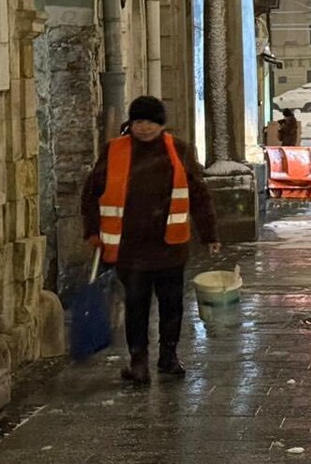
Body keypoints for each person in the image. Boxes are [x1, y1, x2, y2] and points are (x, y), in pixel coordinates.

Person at [83, 95, 219, 384]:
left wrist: (209, 234)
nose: (143, 128)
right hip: (129, 248)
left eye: (150, 122)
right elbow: (92, 193)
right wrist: (93, 231)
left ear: (161, 124)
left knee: (171, 304)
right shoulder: (115, 151)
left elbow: (198, 192)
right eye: (138, 121)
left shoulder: (177, 151)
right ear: (131, 123)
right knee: (136, 305)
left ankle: (168, 356)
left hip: (169, 245)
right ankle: (138, 361)